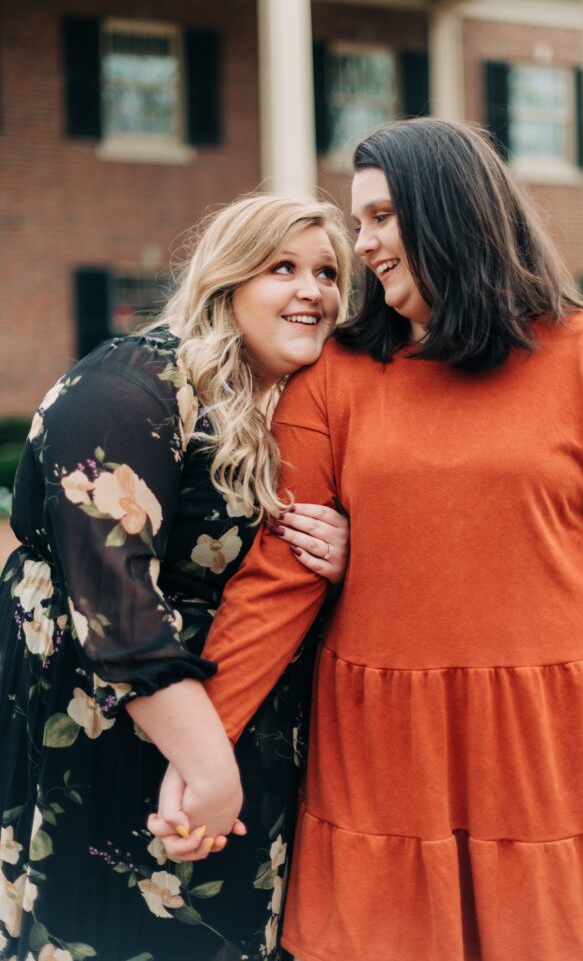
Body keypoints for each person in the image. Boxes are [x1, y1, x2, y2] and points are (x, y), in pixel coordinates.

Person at [155, 119, 583, 961]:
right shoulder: (337, 379)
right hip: (387, 746)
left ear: (449, 210)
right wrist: (201, 750)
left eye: (379, 218)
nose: (360, 245)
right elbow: (276, 578)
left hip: (555, 739)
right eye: (358, 222)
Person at [0, 193, 353, 961]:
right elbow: (113, 603)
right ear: (227, 278)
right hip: (110, 731)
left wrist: (341, 547)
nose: (314, 291)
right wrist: (206, 767)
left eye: (328, 273)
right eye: (282, 267)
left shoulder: (287, 408)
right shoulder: (131, 386)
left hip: (236, 726)